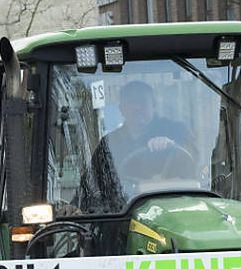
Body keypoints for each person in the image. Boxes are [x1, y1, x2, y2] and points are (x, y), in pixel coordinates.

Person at [80, 80, 198, 212]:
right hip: (124, 214)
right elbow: (92, 180)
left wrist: (172, 146)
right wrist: (75, 205)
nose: (137, 107)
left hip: (176, 209)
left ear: (153, 104)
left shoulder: (177, 131)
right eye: (131, 103)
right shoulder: (109, 143)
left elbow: (197, 166)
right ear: (122, 109)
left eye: (143, 101)